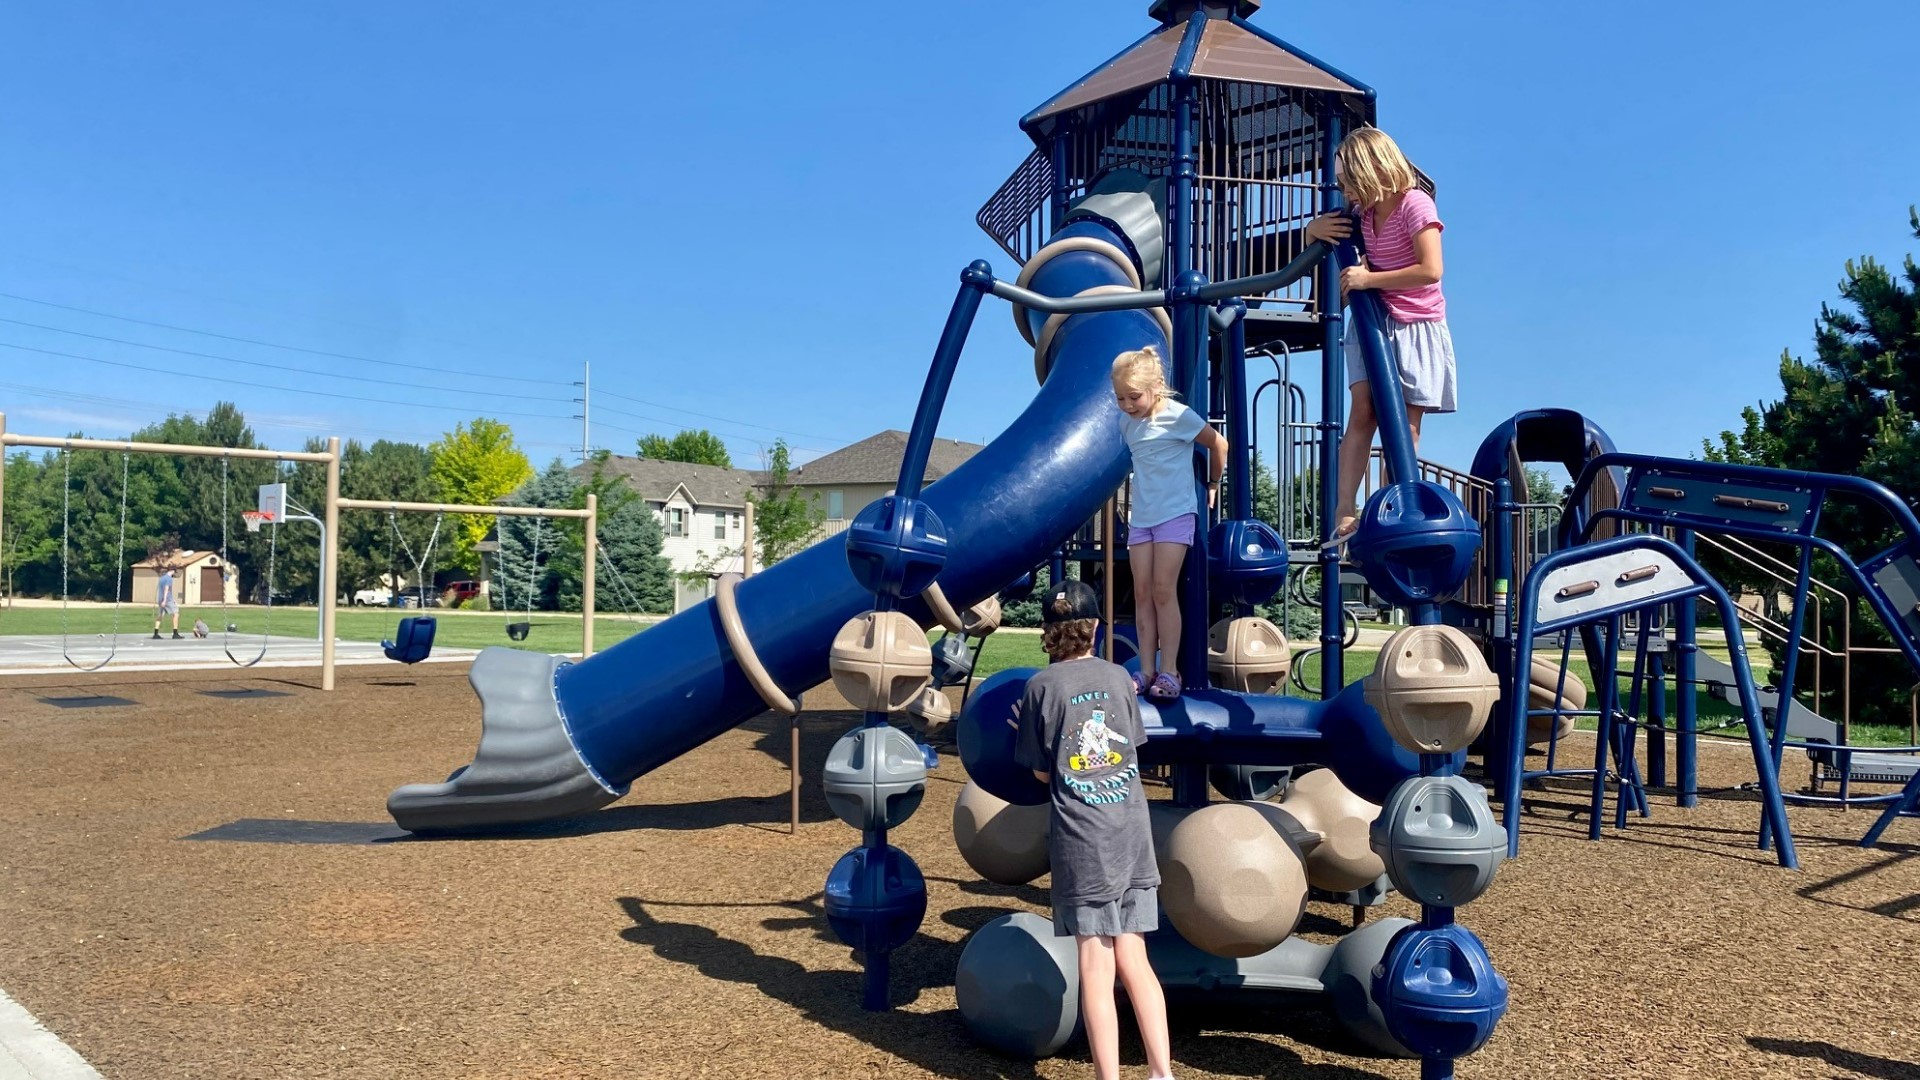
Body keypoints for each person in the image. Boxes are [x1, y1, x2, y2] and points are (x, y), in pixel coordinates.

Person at [1013, 580, 1174, 1080]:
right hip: (1131, 835)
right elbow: (1132, 748)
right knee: (1135, 958)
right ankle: (1162, 1073)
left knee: (1095, 965)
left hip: (1082, 842)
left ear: (1048, 633)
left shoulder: (1039, 688)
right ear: (1097, 629)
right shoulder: (1120, 680)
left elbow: (1043, 774)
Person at [1303, 125, 1455, 545]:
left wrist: (1370, 278)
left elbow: (1431, 270)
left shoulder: (1414, 206)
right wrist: (1311, 230)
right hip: (1374, 320)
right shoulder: (1363, 214)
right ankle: (1344, 509)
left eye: (1348, 182)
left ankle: (1395, 503)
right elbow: (1320, 231)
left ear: (1371, 171)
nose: (1345, 192)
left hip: (1416, 323)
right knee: (1363, 412)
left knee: (1404, 423)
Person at [1112, 344, 1229, 699]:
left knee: (1164, 590)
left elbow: (1218, 443)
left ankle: (1169, 671)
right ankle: (1145, 671)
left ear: (1156, 387)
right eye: (1120, 398)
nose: (1128, 405)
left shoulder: (1178, 416)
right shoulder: (1126, 424)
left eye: (1134, 397)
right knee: (1142, 593)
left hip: (1175, 514)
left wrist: (1212, 483)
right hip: (1142, 517)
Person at [152, 565, 182, 640]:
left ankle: (156, 633)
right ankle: (175, 633)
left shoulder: (161, 578)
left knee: (160, 615)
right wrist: (165, 600)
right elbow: (166, 589)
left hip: (160, 599)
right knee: (176, 613)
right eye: (174, 572)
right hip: (167, 600)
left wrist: (161, 599)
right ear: (173, 571)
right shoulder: (169, 579)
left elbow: (159, 589)